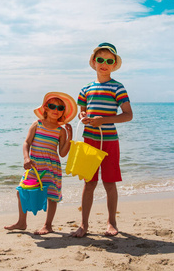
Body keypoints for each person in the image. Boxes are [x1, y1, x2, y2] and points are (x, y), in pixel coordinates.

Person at [71, 42, 133, 238]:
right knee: (89, 183)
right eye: (100, 59)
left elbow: (128, 115)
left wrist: (103, 120)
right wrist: (82, 117)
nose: (104, 64)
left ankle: (111, 222)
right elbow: (81, 112)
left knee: (109, 183)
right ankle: (84, 224)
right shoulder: (86, 89)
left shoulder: (118, 87)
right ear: (93, 62)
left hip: (110, 141)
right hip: (89, 140)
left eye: (109, 60)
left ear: (114, 64)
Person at [5, 92, 77, 235]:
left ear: (63, 112)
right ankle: (21, 222)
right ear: (46, 108)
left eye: (60, 108)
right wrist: (26, 158)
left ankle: (48, 225)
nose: (56, 110)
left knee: (51, 195)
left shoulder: (60, 131)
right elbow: (27, 142)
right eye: (52, 106)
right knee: (22, 190)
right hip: (34, 165)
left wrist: (70, 136)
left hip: (52, 167)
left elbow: (62, 153)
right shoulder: (37, 124)